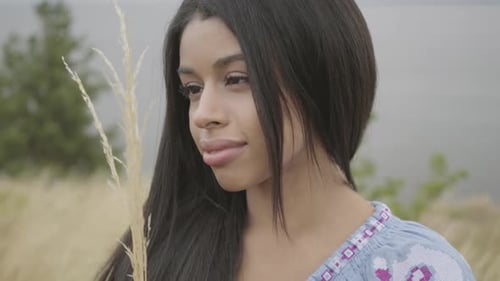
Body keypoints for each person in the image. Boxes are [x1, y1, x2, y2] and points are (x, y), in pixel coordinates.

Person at [98, 0, 475, 280]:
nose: (202, 113)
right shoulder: (158, 252)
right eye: (192, 89)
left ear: (319, 77)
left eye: (236, 79)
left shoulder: (419, 269)